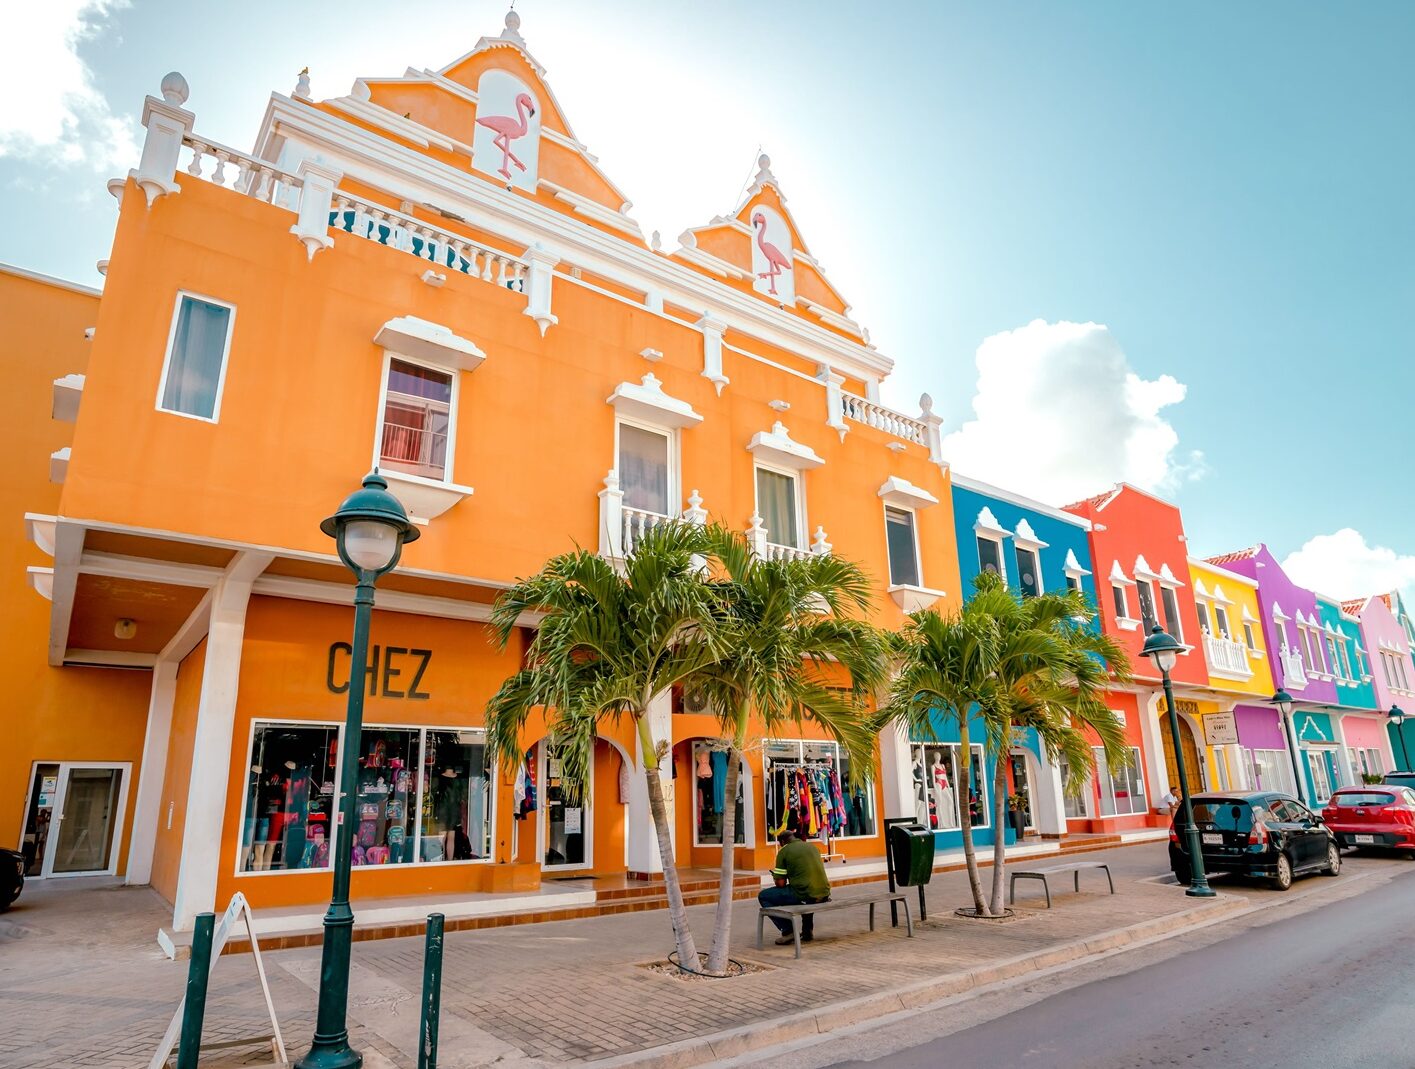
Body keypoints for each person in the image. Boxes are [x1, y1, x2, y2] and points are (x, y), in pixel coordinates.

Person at [757, 829, 831, 945]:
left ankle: (788, 931)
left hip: (805, 894)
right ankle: (807, 931)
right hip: (824, 893)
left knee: (764, 896)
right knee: (806, 892)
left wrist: (776, 877)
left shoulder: (784, 851)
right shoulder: (811, 847)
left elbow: (780, 884)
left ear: (782, 842)